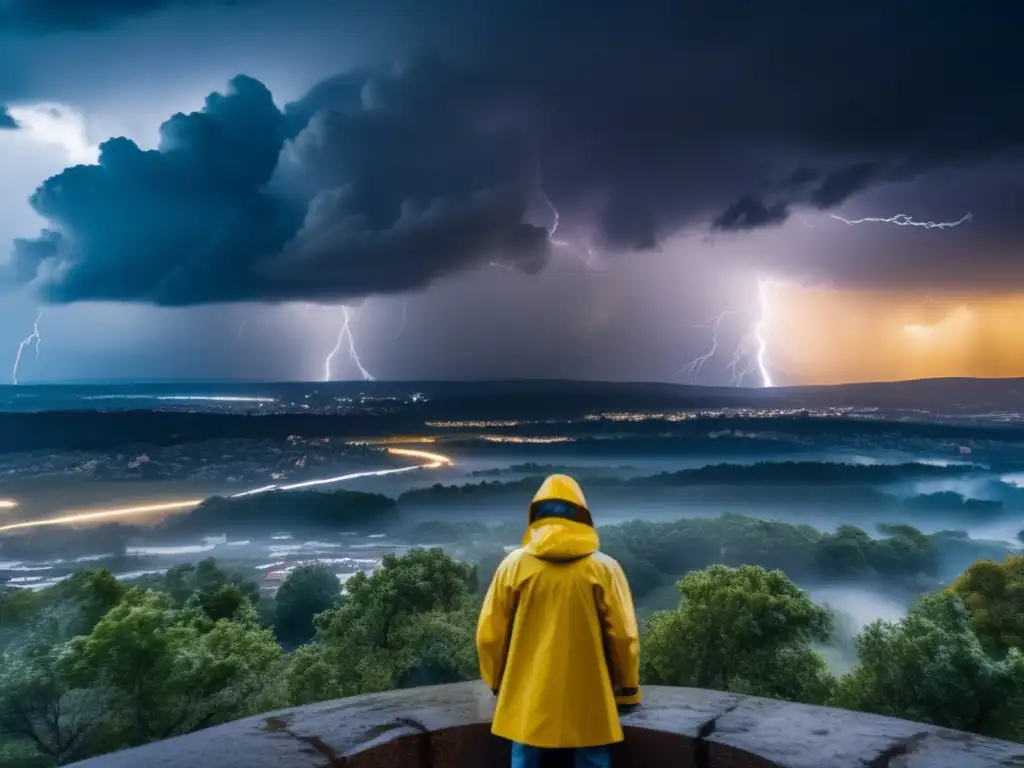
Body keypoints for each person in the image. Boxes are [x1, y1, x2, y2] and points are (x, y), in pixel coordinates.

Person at [477, 474, 641, 768]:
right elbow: (624, 637)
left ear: (535, 514)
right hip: (591, 693)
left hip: (525, 693)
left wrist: (496, 682)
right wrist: (628, 689)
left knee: (523, 757)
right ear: (583, 515)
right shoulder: (605, 568)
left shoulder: (513, 566)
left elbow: (489, 636)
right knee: (593, 756)